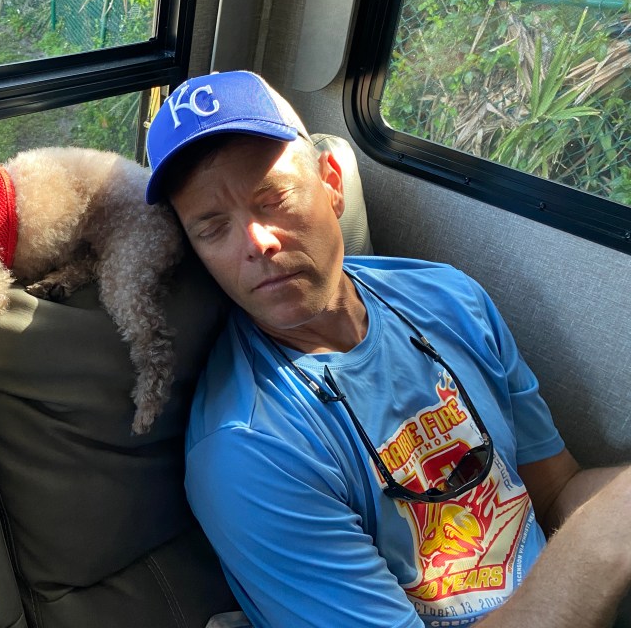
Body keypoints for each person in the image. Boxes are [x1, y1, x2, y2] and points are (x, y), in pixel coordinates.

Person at [144, 70, 631, 628]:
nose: (257, 242)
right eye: (212, 229)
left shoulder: (449, 298)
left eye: (273, 198)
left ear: (331, 183)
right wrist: (597, 550)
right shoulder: (249, 451)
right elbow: (591, 543)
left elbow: (555, 488)